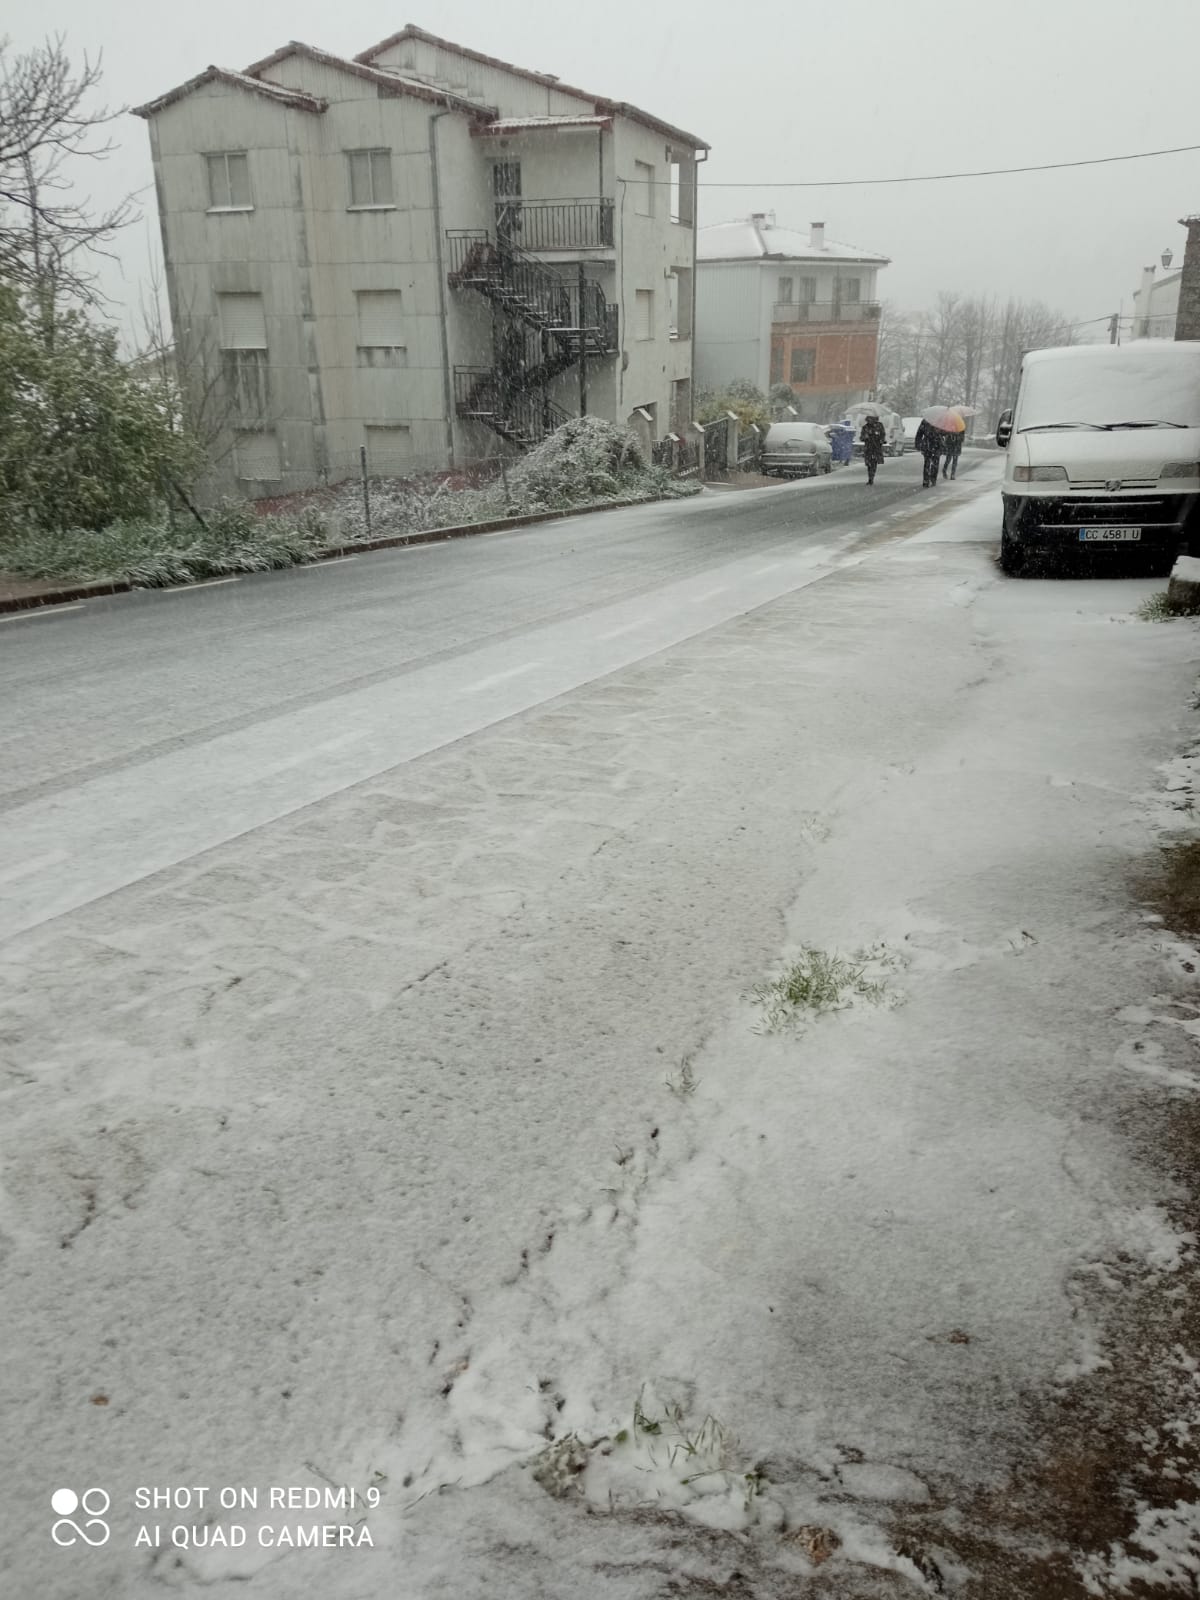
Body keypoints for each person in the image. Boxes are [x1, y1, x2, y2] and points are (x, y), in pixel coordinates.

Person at [914, 420, 944, 488]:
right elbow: (919, 433)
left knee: (935, 463)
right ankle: (926, 480)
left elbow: (945, 433)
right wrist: (918, 444)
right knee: (928, 462)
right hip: (928, 445)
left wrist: (940, 431)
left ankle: (932, 478)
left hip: (936, 445)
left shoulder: (939, 422)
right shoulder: (926, 421)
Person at [861, 413, 887, 485]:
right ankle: (870, 478)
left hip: (876, 447)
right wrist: (865, 437)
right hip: (868, 448)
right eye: (869, 419)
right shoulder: (865, 427)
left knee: (874, 463)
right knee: (869, 463)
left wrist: (881, 440)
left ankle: (871, 477)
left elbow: (883, 434)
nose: (870, 420)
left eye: (871, 419)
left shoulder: (879, 426)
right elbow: (862, 437)